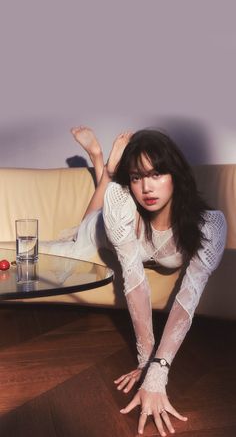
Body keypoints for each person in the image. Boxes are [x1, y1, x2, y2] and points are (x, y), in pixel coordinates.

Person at [40, 126, 227, 436]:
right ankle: (105, 166)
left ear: (176, 176)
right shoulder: (122, 203)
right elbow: (135, 280)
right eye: (137, 177)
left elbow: (188, 297)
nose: (146, 188)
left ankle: (102, 162)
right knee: (72, 240)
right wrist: (145, 360)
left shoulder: (209, 225)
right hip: (99, 233)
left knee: (87, 222)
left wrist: (158, 372)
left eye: (156, 174)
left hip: (122, 226)